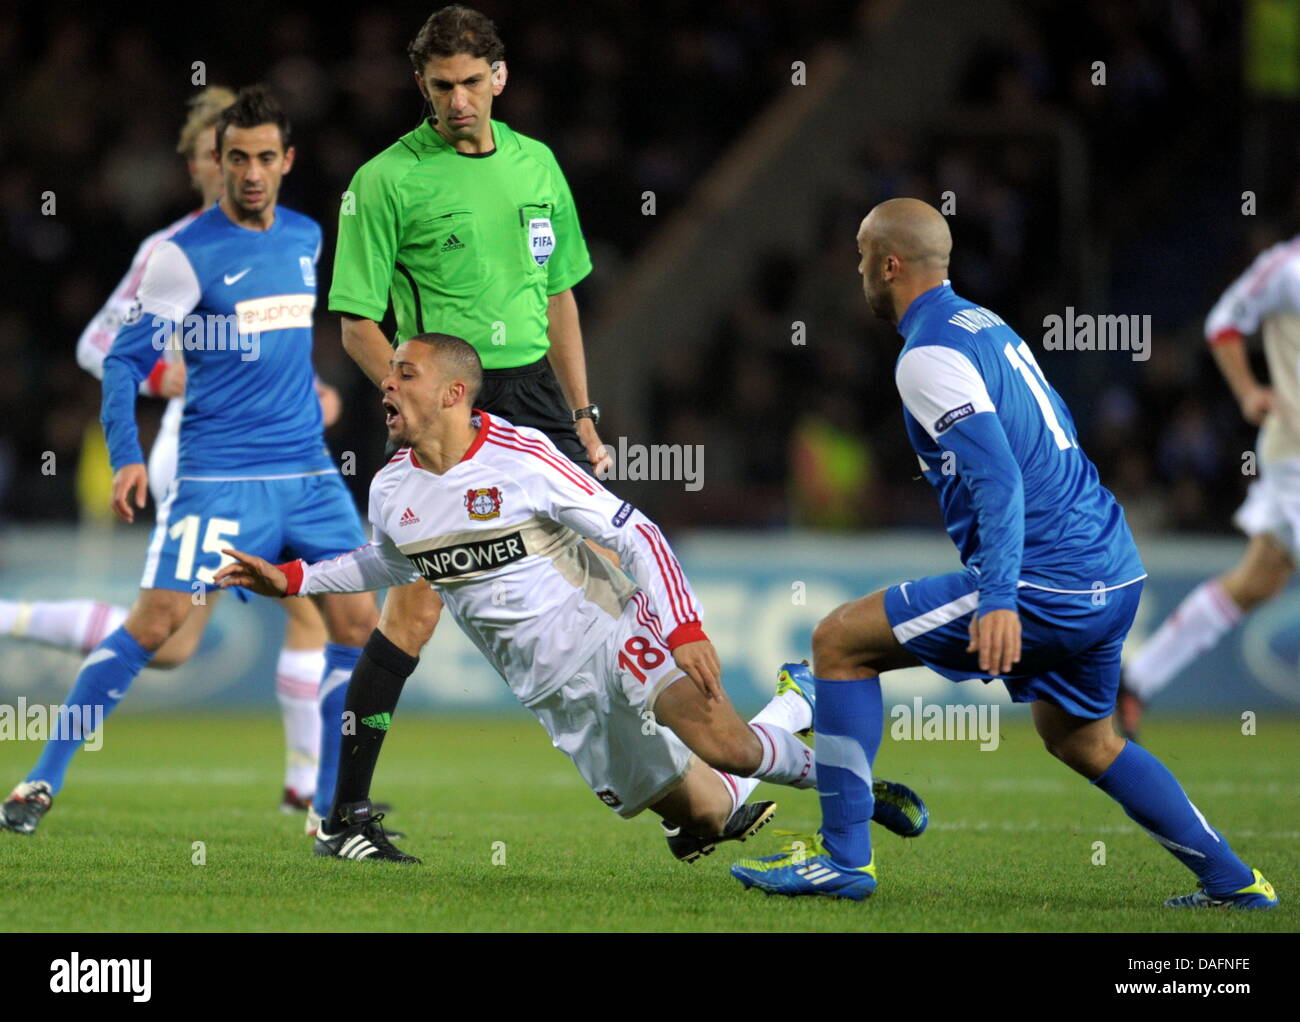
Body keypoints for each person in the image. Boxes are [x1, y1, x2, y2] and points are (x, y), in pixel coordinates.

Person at [729, 198, 1277, 909]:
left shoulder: (926, 355)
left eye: (864, 256)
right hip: (1114, 568)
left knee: (838, 642)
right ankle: (1235, 883)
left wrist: (997, 596)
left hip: (1045, 580)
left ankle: (843, 861)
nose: (859, 269)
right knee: (1084, 740)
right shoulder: (987, 325)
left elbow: (998, 476)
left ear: (889, 265)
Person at [215, 334, 929, 864]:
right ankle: (796, 702)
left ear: (453, 394)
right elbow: (387, 562)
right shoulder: (391, 489)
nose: (387, 386)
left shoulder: (521, 457)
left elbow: (636, 532)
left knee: (730, 747)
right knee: (708, 817)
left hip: (612, 634)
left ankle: (853, 787)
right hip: (554, 694)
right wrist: (296, 578)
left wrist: (681, 627)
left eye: (406, 373)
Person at [1, 86, 379, 836]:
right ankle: (41, 780)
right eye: (236, 157)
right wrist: (126, 455)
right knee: (160, 629)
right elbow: (114, 358)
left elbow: (280, 340)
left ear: (286, 161)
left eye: (264, 158)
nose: (249, 172)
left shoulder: (306, 237)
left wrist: (314, 393)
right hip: (217, 473)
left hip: (305, 471)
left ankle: (329, 806)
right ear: (215, 160)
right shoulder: (179, 255)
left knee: (356, 620)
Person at [314, 5, 614, 835]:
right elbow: (354, 321)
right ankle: (345, 815)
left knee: (607, 578)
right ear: (422, 86)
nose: (458, 101)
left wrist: (583, 413)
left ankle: (675, 776)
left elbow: (559, 297)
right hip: (445, 404)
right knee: (412, 610)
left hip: (536, 397)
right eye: (441, 86)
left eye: (472, 83)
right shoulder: (385, 181)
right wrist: (411, 400)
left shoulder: (538, 164)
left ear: (499, 78)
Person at [1118, 234, 1300, 740]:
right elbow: (1225, 321)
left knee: (1259, 579)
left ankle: (1134, 680)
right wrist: (1247, 391)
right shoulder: (1286, 268)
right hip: (1296, 458)